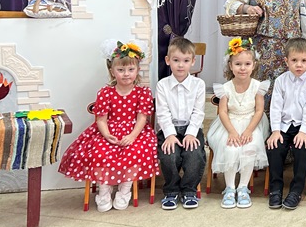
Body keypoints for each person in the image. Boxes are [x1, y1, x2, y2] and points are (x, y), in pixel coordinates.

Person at [59, 41, 158, 212]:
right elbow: (101, 119)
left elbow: (143, 118)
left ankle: (125, 190)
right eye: (121, 70)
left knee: (134, 151)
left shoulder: (143, 93)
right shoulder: (105, 93)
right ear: (112, 71)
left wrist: (132, 136)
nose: (126, 74)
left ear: (137, 70)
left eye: (131, 69)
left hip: (136, 131)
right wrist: (106, 135)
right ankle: (104, 190)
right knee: (100, 152)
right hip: (108, 131)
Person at [207, 38, 268, 210]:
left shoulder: (258, 86)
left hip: (252, 123)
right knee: (231, 148)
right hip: (229, 123)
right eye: (238, 64)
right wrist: (232, 132)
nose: (243, 68)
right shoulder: (225, 88)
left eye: (247, 64)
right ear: (230, 66)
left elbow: (259, 111)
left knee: (250, 147)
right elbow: (223, 112)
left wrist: (248, 131)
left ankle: (243, 187)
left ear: (253, 65)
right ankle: (229, 188)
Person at [266, 38, 306, 210]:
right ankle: (275, 189)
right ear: (286, 61)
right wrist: (275, 131)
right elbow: (275, 107)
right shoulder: (280, 81)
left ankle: (296, 190)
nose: (299, 65)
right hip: (282, 125)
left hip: (303, 126)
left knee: (301, 148)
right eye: (294, 60)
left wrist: (303, 132)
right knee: (275, 147)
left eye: (303, 61)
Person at [155, 37, 207, 211]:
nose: (180, 65)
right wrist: (170, 135)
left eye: (185, 61)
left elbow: (198, 112)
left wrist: (191, 133)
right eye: (176, 60)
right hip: (169, 129)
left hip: (191, 128)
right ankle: (171, 190)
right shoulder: (162, 85)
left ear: (193, 61)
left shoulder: (199, 84)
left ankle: (189, 190)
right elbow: (162, 112)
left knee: (194, 155)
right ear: (168, 60)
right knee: (169, 155)